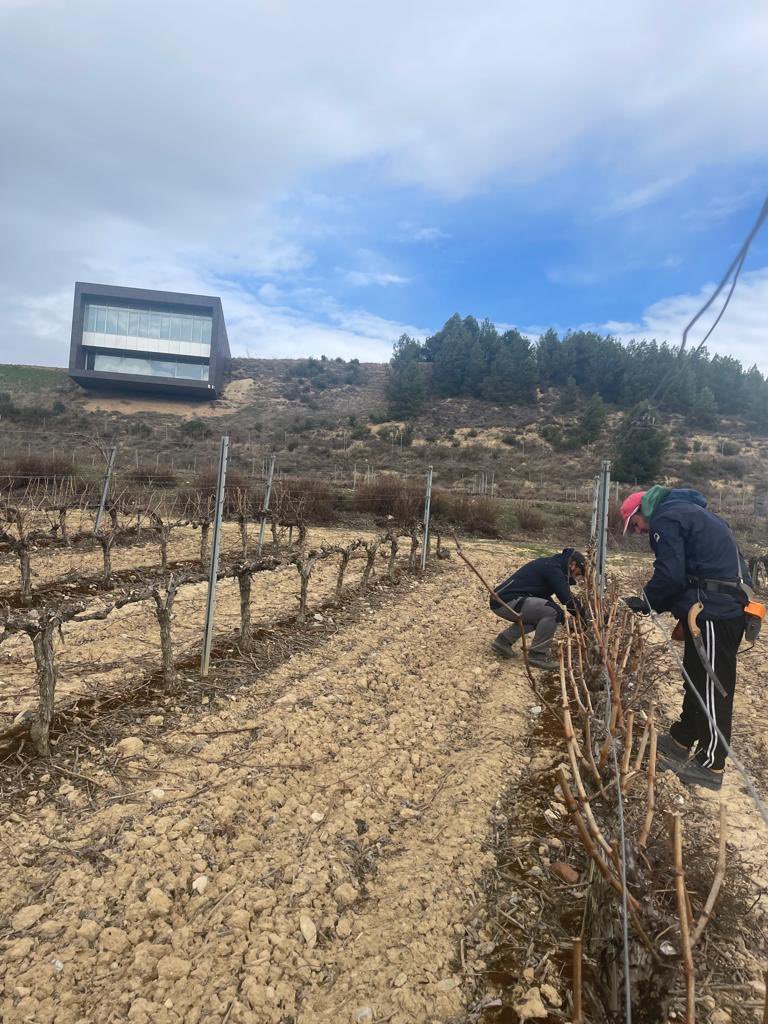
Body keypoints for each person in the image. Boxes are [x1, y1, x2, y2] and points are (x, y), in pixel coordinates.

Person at [620, 485, 752, 791]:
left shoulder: (666, 518)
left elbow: (670, 575)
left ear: (643, 510)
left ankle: (711, 764)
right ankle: (682, 738)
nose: (639, 532)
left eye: (636, 524)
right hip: (716, 605)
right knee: (695, 677)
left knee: (713, 686)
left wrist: (647, 600)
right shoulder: (690, 512)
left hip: (716, 609)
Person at [490, 547, 586, 670]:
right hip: (505, 601)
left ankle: (503, 642)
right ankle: (537, 655)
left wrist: (565, 619)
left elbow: (544, 598)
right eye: (578, 573)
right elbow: (567, 599)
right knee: (553, 612)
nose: (577, 577)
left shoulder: (552, 564)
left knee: (547, 613)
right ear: (572, 565)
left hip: (504, 600)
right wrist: (584, 617)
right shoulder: (554, 569)